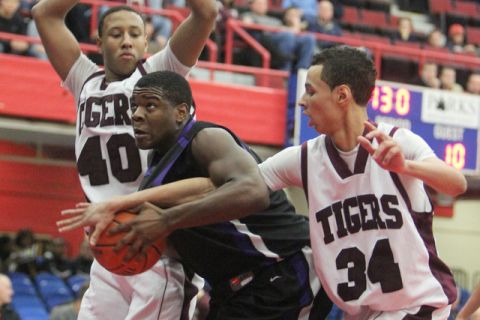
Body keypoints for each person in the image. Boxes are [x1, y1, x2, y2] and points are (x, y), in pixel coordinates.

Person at [58, 70, 333, 319]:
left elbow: (253, 192)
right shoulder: (156, 169)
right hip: (234, 288)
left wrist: (165, 219)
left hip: (284, 265)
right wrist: (118, 236)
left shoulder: (205, 137)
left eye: (150, 106)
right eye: (134, 107)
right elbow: (190, 227)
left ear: (181, 112)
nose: (137, 115)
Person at [31, 0, 217, 318]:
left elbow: (207, 12)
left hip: (159, 243)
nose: (127, 40)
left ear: (147, 42)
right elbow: (43, 13)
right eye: (116, 34)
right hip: (107, 246)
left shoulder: (160, 73)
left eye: (135, 33)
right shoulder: (84, 81)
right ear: (100, 42)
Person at [258, 46, 467, 319]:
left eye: (311, 91)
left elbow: (456, 184)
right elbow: (243, 183)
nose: (302, 100)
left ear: (342, 94)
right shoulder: (305, 158)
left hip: (418, 308)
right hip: (363, 313)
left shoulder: (397, 141)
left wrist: (406, 167)